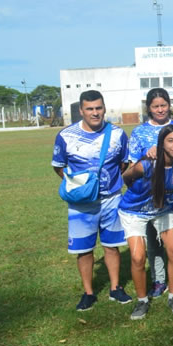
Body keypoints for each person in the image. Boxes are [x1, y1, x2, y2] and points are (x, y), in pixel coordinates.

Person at [52, 90, 132, 311]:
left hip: (112, 199)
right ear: (81, 110)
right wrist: (81, 187)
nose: (95, 113)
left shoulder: (117, 134)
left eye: (98, 108)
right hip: (81, 204)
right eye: (90, 109)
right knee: (84, 249)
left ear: (104, 108)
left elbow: (123, 163)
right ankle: (88, 293)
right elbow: (58, 165)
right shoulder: (66, 135)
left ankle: (116, 288)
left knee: (112, 246)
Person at [120, 125, 173, 319]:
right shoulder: (147, 164)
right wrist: (139, 191)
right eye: (170, 141)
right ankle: (142, 301)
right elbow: (127, 176)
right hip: (134, 211)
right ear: (161, 143)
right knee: (138, 257)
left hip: (162, 210)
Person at [127, 88, 173, 299]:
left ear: (169, 105)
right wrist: (147, 154)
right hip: (151, 197)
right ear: (149, 108)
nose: (160, 110)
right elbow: (132, 165)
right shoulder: (139, 132)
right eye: (156, 106)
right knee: (153, 242)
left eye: (163, 105)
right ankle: (158, 279)